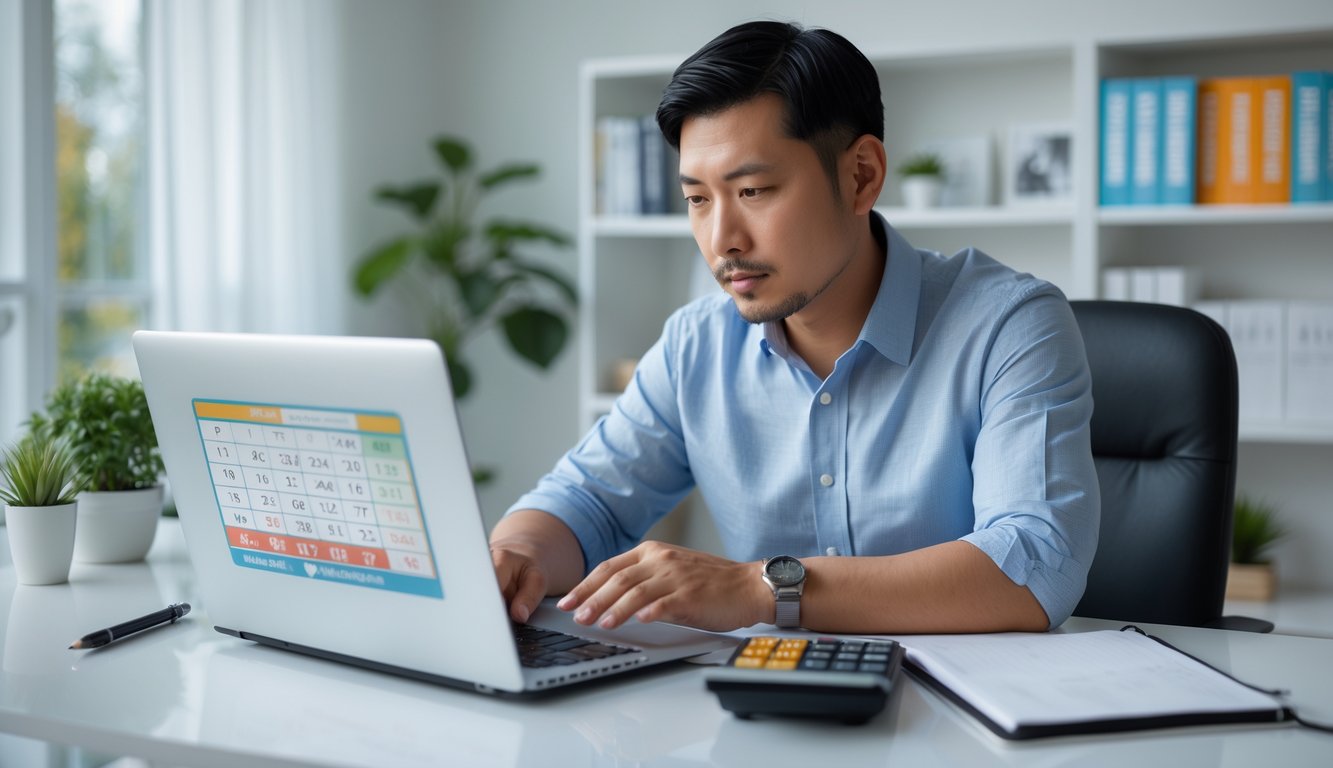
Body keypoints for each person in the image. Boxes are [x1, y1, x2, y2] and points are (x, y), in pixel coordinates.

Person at [490, 20, 1099, 635]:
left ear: (861, 175)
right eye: (698, 199)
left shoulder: (1010, 325)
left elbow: (1037, 563)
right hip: (762, 705)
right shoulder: (695, 344)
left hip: (962, 713)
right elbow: (586, 502)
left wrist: (759, 588)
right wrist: (515, 555)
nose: (721, 239)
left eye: (753, 189)